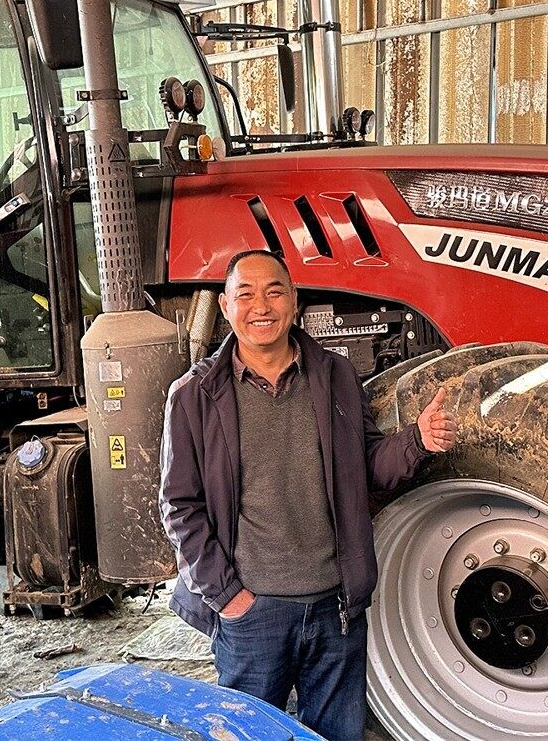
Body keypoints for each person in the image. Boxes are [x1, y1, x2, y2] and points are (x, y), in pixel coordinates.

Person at [159, 249, 456, 740]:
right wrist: (228, 597)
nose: (261, 306)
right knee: (251, 734)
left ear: (294, 301)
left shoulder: (335, 375)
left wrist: (416, 441)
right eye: (245, 294)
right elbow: (179, 506)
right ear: (226, 307)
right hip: (253, 614)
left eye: (274, 291)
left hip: (334, 608)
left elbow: (365, 466)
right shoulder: (194, 394)